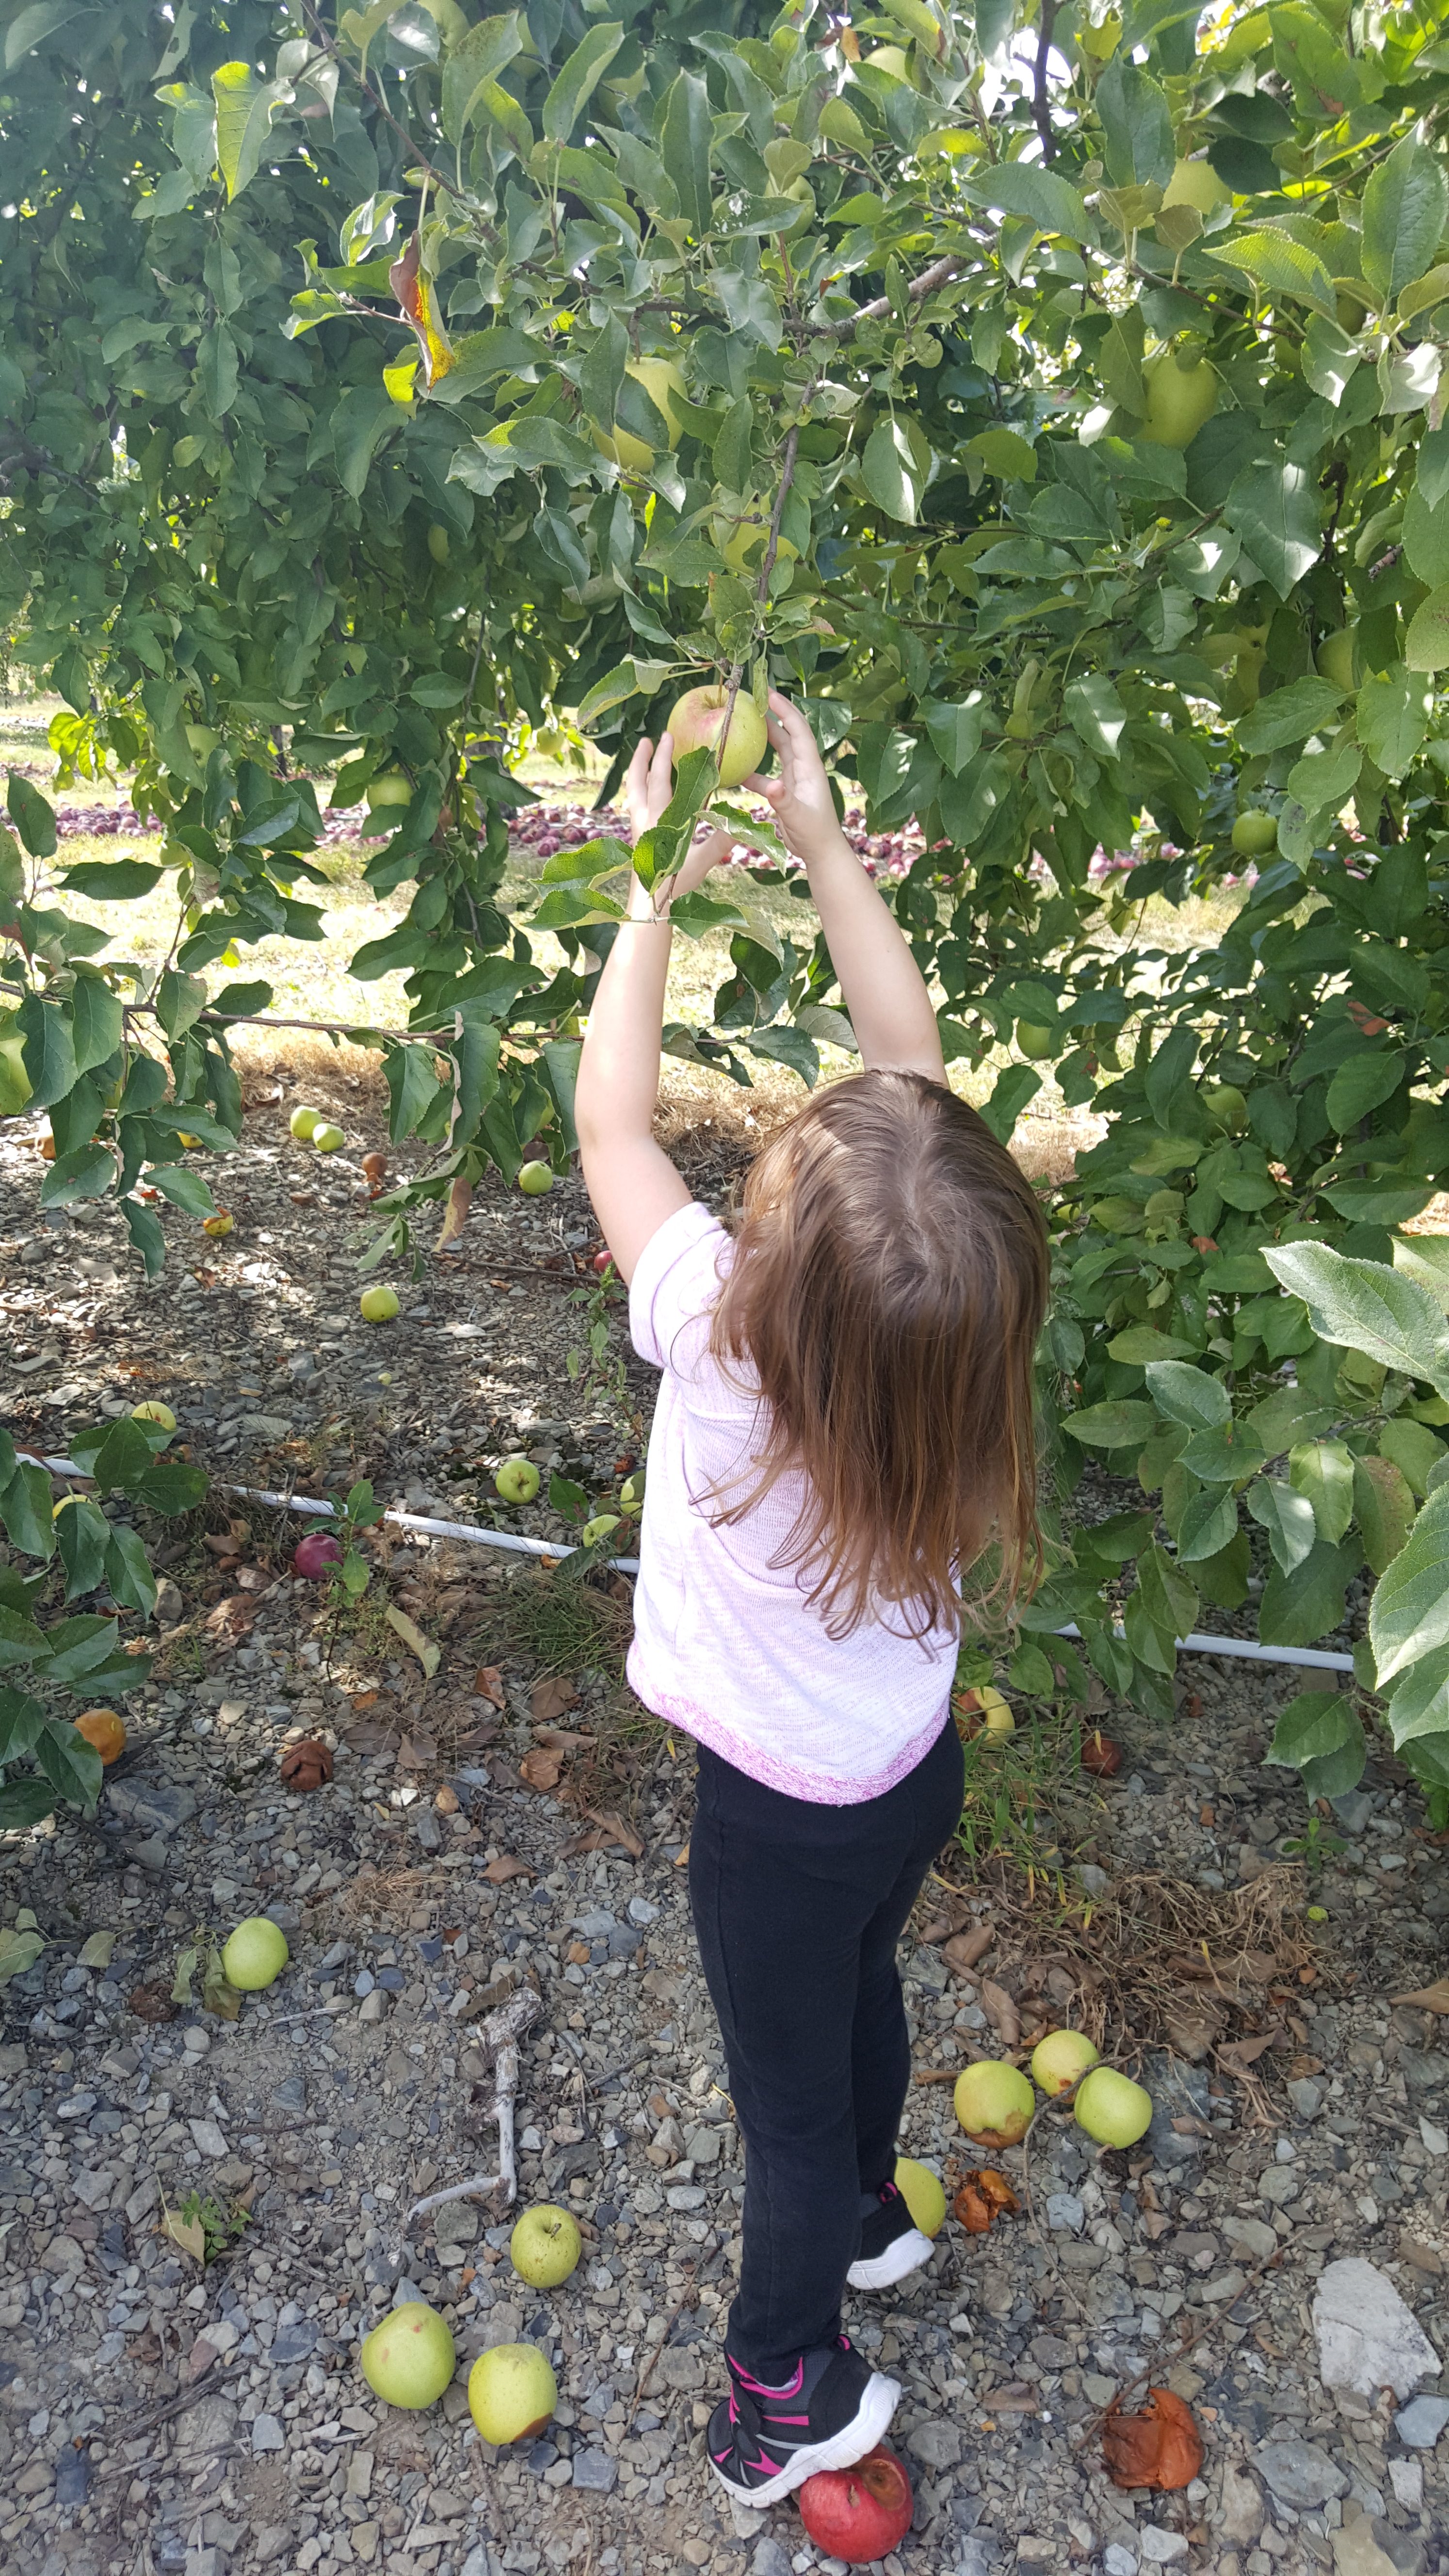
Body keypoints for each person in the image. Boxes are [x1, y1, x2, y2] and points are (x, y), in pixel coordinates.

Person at [574, 691, 1049, 2508]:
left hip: (770, 1814)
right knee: (863, 1994)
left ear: (768, 1260)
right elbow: (908, 1069)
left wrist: (649, 882)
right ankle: (868, 2207)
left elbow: (614, 1125)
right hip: (903, 1773)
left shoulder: (717, 1335)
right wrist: (828, 843)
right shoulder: (959, 1360)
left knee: (777, 2091)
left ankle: (780, 2384)